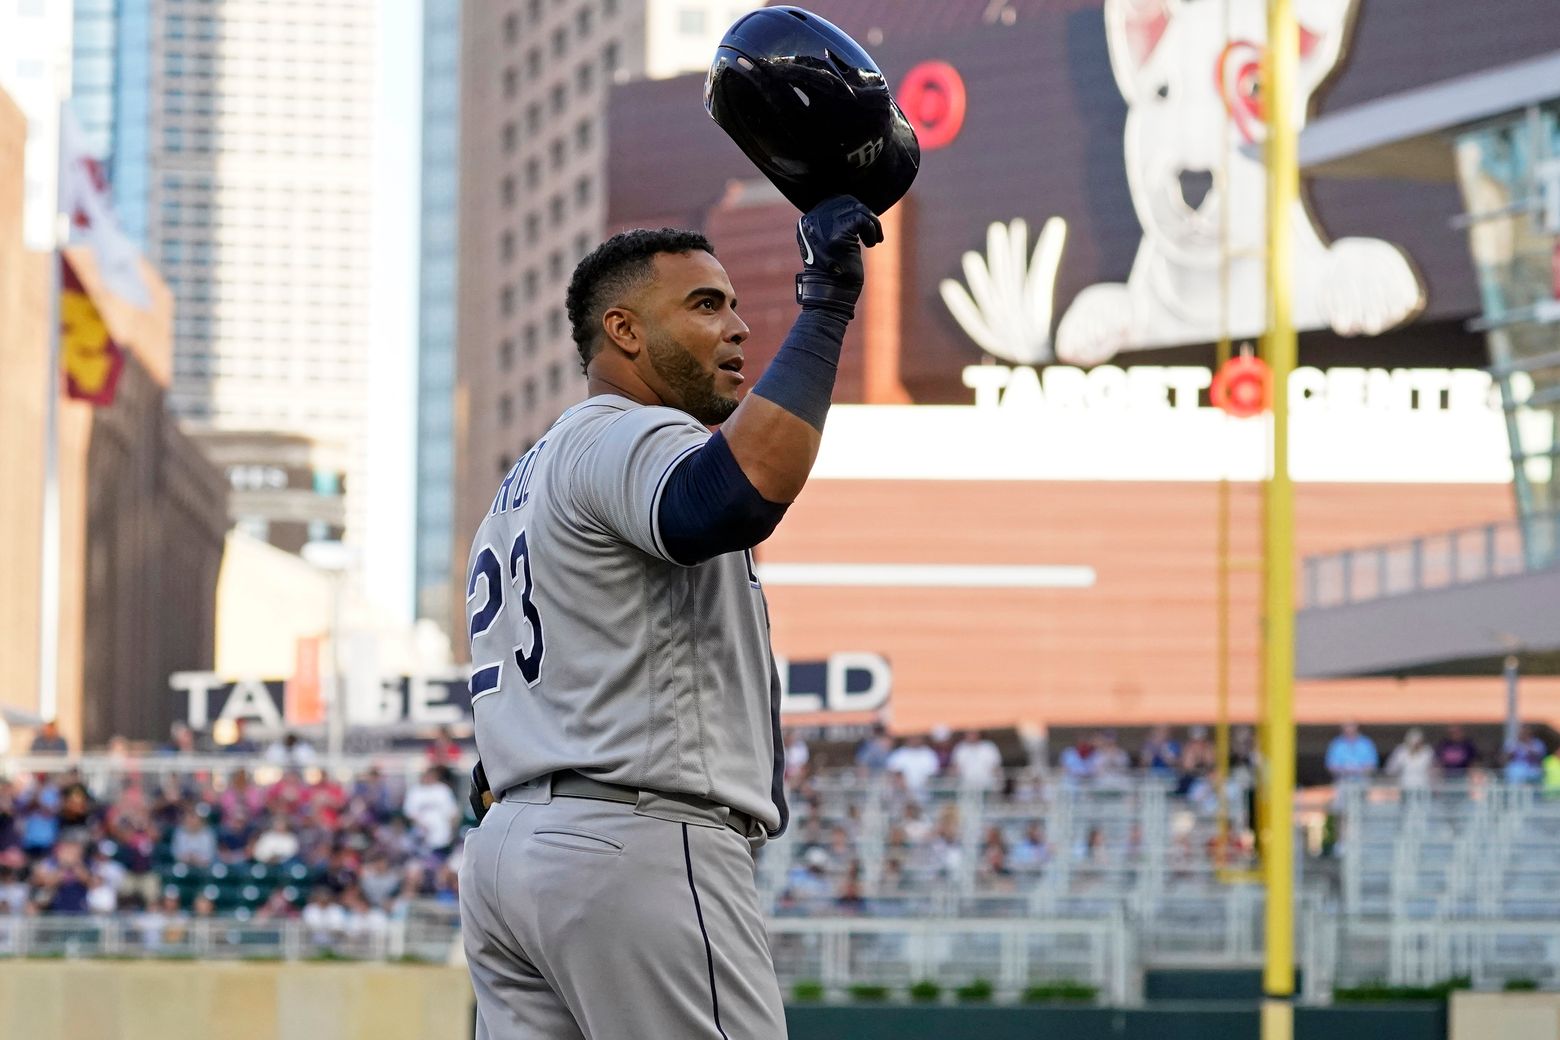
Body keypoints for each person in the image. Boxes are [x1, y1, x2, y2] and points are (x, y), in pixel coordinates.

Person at [458, 197, 882, 1040]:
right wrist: (827, 300)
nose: (736, 328)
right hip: (635, 840)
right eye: (704, 305)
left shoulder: (522, 486)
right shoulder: (620, 434)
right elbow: (726, 499)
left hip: (515, 851)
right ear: (622, 331)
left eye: (731, 303)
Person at [1385, 728, 1436, 792]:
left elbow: (1434, 770)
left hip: (1423, 785)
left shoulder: (1427, 751)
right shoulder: (1401, 751)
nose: (1415, 744)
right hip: (1404, 785)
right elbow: (1390, 769)